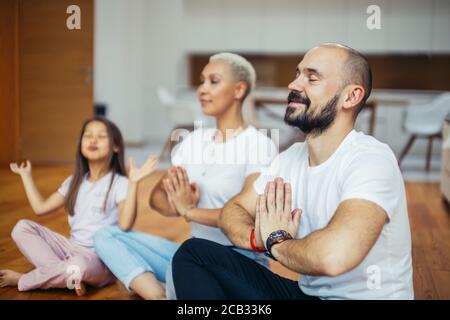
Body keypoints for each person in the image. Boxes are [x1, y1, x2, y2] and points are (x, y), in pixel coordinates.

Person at [172, 43, 414, 300]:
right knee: (194, 254)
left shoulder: (371, 158)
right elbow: (233, 211)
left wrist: (276, 242)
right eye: (297, 74)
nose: (294, 85)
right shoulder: (290, 159)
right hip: (307, 296)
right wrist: (258, 238)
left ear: (351, 96)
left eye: (311, 78)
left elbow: (333, 257)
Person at [94, 53, 278, 299]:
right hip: (190, 254)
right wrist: (178, 199)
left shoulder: (259, 144)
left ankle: (161, 286)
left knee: (185, 270)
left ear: (239, 89)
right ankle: (157, 293)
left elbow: (249, 215)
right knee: (107, 235)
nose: (202, 89)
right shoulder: (193, 140)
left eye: (213, 81)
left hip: (239, 259)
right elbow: (157, 199)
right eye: (201, 81)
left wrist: (189, 211)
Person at [0, 116, 154, 296]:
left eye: (101, 136)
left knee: (78, 266)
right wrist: (26, 176)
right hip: (70, 248)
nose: (93, 140)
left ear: (116, 146)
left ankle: (29, 279)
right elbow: (40, 208)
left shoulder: (120, 183)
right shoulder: (74, 181)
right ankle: (68, 278)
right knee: (21, 228)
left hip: (99, 259)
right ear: (81, 144)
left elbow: (126, 224)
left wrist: (134, 183)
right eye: (87, 135)